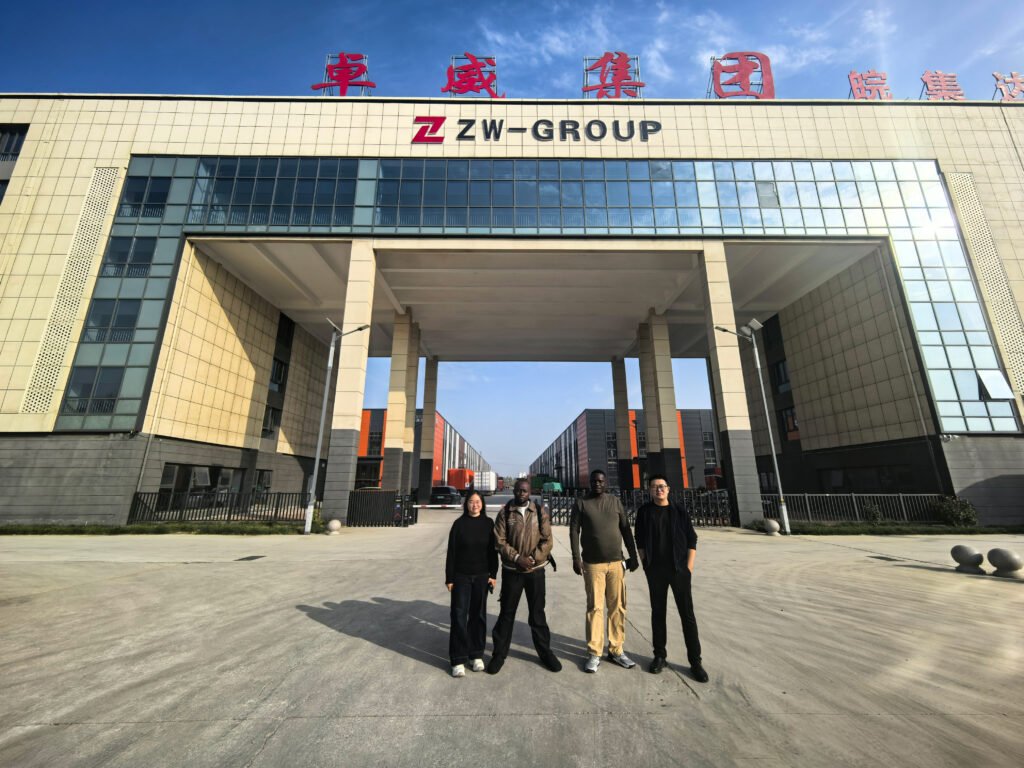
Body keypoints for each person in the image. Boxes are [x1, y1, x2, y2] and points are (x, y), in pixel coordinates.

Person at [633, 474, 709, 683]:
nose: (659, 490)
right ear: (649, 490)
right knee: (658, 613)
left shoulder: (679, 511)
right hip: (655, 571)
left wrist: (689, 566)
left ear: (668, 489)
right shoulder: (644, 512)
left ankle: (695, 662)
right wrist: (645, 562)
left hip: (679, 570)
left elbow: (692, 538)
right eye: (655, 487)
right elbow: (638, 537)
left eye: (662, 486)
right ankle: (660, 656)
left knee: (687, 615)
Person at [487, 478, 562, 674]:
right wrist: (517, 558)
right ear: (514, 491)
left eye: (525, 491)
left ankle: (545, 653)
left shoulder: (539, 511)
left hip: (536, 572)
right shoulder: (505, 513)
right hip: (513, 572)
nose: (522, 493)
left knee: (537, 614)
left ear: (530, 492)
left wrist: (532, 559)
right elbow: (499, 541)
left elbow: (547, 540)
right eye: (519, 490)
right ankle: (499, 654)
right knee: (506, 614)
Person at [569, 469, 639, 673]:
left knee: (617, 607)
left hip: (616, 564)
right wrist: (576, 558)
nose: (597, 484)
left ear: (606, 483)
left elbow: (626, 529)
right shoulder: (581, 503)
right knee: (595, 608)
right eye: (594, 481)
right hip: (592, 565)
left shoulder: (615, 502)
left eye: (600, 481)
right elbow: (574, 530)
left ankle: (616, 650)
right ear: (590, 483)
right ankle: (594, 652)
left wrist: (632, 555)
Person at [445, 490, 498, 678]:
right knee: (459, 616)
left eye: (477, 502)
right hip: (461, 577)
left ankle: (476, 655)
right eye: (471, 502)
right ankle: (458, 659)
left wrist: (493, 574)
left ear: (482, 504)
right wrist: (449, 578)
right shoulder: (458, 525)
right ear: (465, 504)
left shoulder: (488, 524)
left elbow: (493, 552)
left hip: (482, 577)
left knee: (478, 616)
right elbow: (451, 553)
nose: (474, 505)